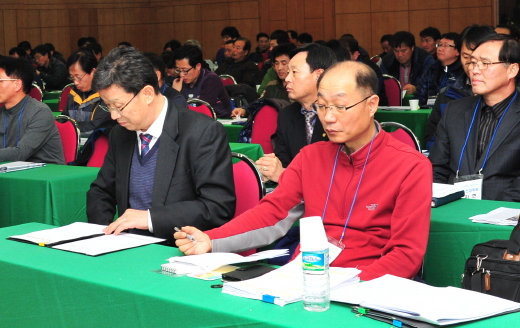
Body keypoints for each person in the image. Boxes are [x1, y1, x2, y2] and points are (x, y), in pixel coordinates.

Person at [175, 61, 431, 282]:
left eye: (340, 107)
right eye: (321, 106)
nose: (329, 117)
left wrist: (353, 286)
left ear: (372, 104)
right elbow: (272, 213)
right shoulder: (311, 157)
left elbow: (406, 254)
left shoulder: (410, 165)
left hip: (365, 288)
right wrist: (210, 239)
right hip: (307, 278)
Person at [87, 47, 235, 236]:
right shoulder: (121, 134)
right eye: (108, 107)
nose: (114, 116)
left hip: (178, 249)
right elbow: (101, 192)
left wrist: (149, 218)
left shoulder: (202, 133)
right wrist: (104, 235)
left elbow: (217, 207)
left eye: (119, 106)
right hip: (128, 247)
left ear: (147, 94)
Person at [430, 34, 520, 201]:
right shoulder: (454, 110)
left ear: (512, 70)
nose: (474, 70)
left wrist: (484, 214)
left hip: (502, 217)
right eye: (473, 62)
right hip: (453, 209)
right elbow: (437, 169)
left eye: (485, 63)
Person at [256, 43, 337, 183]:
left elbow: (337, 172)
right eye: (288, 73)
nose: (287, 79)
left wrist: (284, 175)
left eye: (294, 72)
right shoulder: (287, 115)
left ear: (319, 75)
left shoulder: (341, 115)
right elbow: (283, 162)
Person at [0, 57, 65, 164]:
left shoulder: (40, 113)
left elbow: (20, 153)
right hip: (11, 171)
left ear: (17, 84)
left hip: (45, 174)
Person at [172, 44, 232, 118]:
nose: (181, 75)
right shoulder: (180, 82)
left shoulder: (211, 80)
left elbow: (201, 110)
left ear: (198, 66)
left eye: (185, 70)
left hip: (220, 121)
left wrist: (177, 94)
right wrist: (174, 92)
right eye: (178, 70)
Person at [414, 32, 467, 104]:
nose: (440, 49)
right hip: (430, 111)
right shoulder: (431, 69)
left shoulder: (464, 71)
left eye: (446, 46)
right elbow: (419, 95)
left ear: (457, 51)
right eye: (439, 45)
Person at [64, 52, 108, 132]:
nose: (75, 82)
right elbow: (64, 120)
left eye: (78, 77)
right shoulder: (73, 94)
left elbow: (96, 126)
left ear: (93, 72)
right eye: (72, 77)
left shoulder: (105, 96)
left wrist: (70, 128)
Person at [384, 31, 434, 96]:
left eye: (403, 51)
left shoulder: (425, 59)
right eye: (396, 51)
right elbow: (381, 86)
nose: (400, 55)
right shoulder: (387, 61)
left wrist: (416, 89)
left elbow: (432, 85)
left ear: (412, 48)